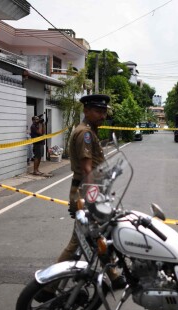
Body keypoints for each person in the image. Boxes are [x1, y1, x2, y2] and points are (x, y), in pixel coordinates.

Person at [58, 95, 125, 285]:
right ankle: (49, 287)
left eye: (104, 112)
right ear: (86, 111)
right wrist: (93, 199)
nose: (102, 115)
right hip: (86, 191)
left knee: (97, 236)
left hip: (91, 189)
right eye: (98, 111)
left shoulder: (91, 131)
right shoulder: (85, 134)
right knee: (77, 242)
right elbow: (88, 170)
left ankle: (114, 275)